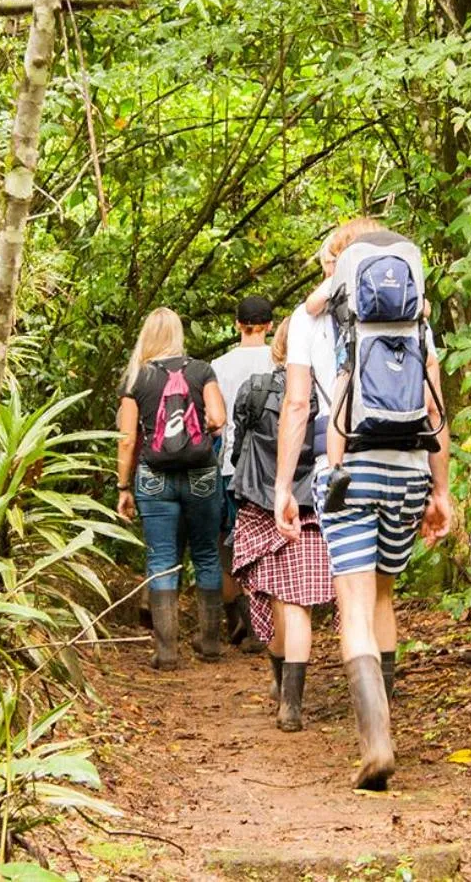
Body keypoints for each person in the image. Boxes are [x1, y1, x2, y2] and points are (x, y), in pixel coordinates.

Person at [275, 218, 455, 791]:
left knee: (351, 600)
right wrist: (440, 488)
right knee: (382, 595)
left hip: (347, 467)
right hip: (407, 466)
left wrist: (284, 487)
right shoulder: (414, 315)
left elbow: (299, 406)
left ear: (335, 263)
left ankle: (375, 742)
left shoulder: (308, 321)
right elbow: (434, 407)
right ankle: (388, 724)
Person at [227, 321, 332, 731]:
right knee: (299, 604)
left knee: (273, 599)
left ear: (278, 346)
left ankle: (279, 682)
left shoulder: (254, 388)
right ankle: (292, 701)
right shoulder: (324, 392)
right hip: (310, 503)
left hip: (262, 502)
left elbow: (239, 448)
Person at [116, 307, 228, 669]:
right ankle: (210, 643)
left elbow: (127, 440)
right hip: (201, 473)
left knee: (162, 559)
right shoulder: (201, 369)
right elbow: (219, 418)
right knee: (207, 554)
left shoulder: (137, 379)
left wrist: (123, 487)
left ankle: (167, 652)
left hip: (154, 476)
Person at [209, 294, 278, 652]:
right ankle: (262, 625)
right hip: (271, 466)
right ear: (270, 325)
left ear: (238, 324)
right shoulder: (279, 360)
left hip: (230, 465)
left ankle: (237, 619)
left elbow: (213, 421)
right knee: (264, 544)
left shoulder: (218, 365)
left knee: (228, 542)